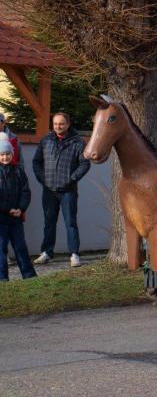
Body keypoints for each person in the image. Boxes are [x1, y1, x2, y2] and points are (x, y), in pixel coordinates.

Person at [32, 112, 91, 266]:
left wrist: (71, 179)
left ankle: (74, 254)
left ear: (68, 124)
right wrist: (43, 179)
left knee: (70, 222)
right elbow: (36, 162)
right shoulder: (46, 140)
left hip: (68, 191)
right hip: (49, 190)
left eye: (61, 124)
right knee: (49, 222)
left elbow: (85, 164)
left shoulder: (78, 142)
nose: (58, 126)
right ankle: (46, 252)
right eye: (55, 124)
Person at [0, 133, 36, 282]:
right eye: (2, 154)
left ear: (12, 154)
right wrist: (7, 209)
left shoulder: (19, 172)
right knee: (1, 250)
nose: (5, 157)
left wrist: (21, 209)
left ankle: (29, 276)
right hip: (1, 218)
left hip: (16, 218)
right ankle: (2, 278)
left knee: (21, 247)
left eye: (7, 154)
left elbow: (25, 192)